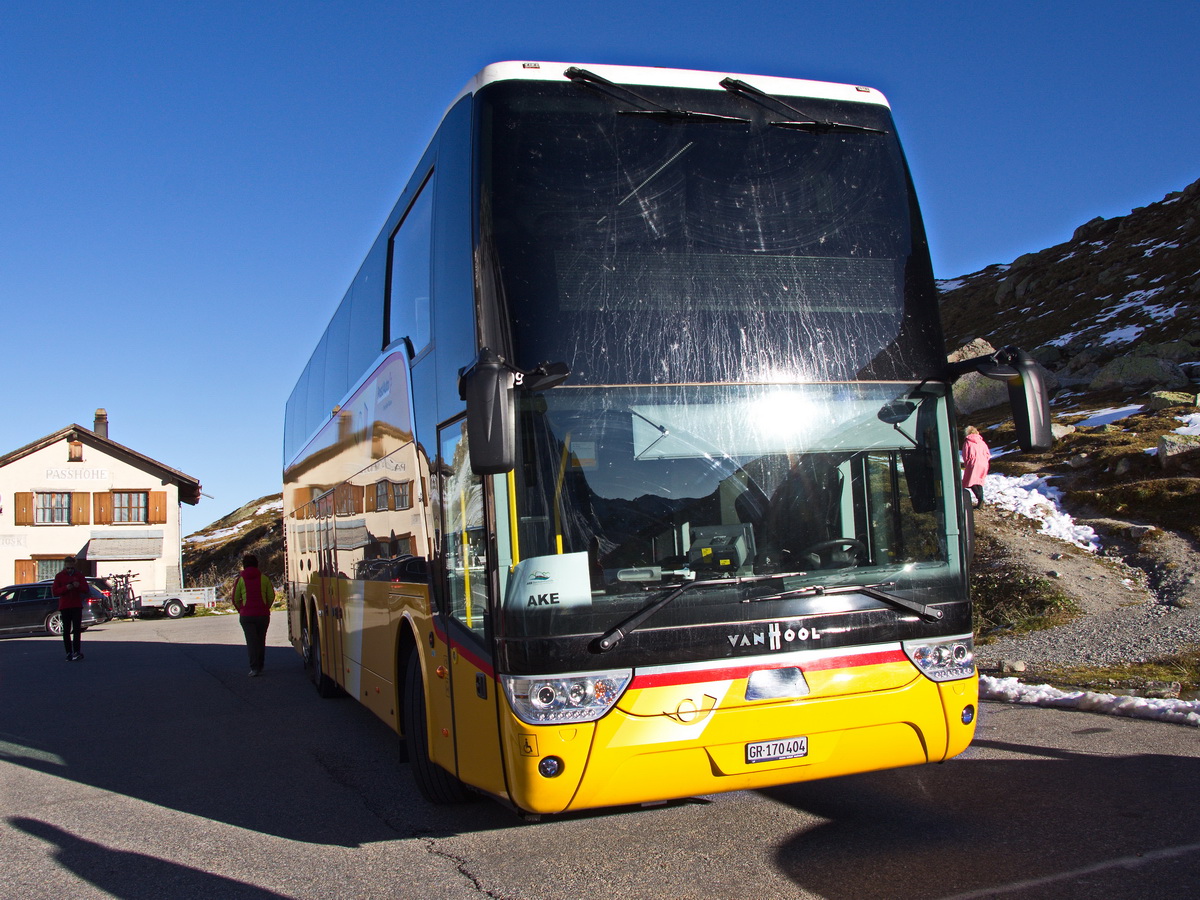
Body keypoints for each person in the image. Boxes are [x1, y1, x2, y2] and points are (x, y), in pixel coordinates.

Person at [232, 554, 274, 677]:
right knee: (261, 640)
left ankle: (254, 668)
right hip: (262, 615)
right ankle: (260, 665)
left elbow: (235, 598)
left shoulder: (240, 579)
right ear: (257, 564)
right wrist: (266, 607)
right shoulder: (264, 578)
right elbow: (271, 596)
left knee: (251, 642)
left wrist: (241, 609)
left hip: (247, 616)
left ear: (244, 565)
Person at [52, 557, 90, 661]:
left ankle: (77, 651)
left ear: (74, 566)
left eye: (71, 568)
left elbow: (86, 589)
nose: (69, 570)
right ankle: (68, 652)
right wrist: (66, 588)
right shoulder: (59, 576)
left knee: (77, 630)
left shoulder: (79, 575)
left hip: (76, 605)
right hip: (65, 606)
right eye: (67, 568)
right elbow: (55, 591)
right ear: (65, 566)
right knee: (66, 630)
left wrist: (78, 586)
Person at [962, 425, 991, 509]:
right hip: (984, 462)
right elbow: (987, 453)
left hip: (973, 463)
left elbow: (965, 454)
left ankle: (979, 498)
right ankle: (980, 500)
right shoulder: (982, 442)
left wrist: (967, 463)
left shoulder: (967, 442)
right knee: (979, 481)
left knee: (971, 481)